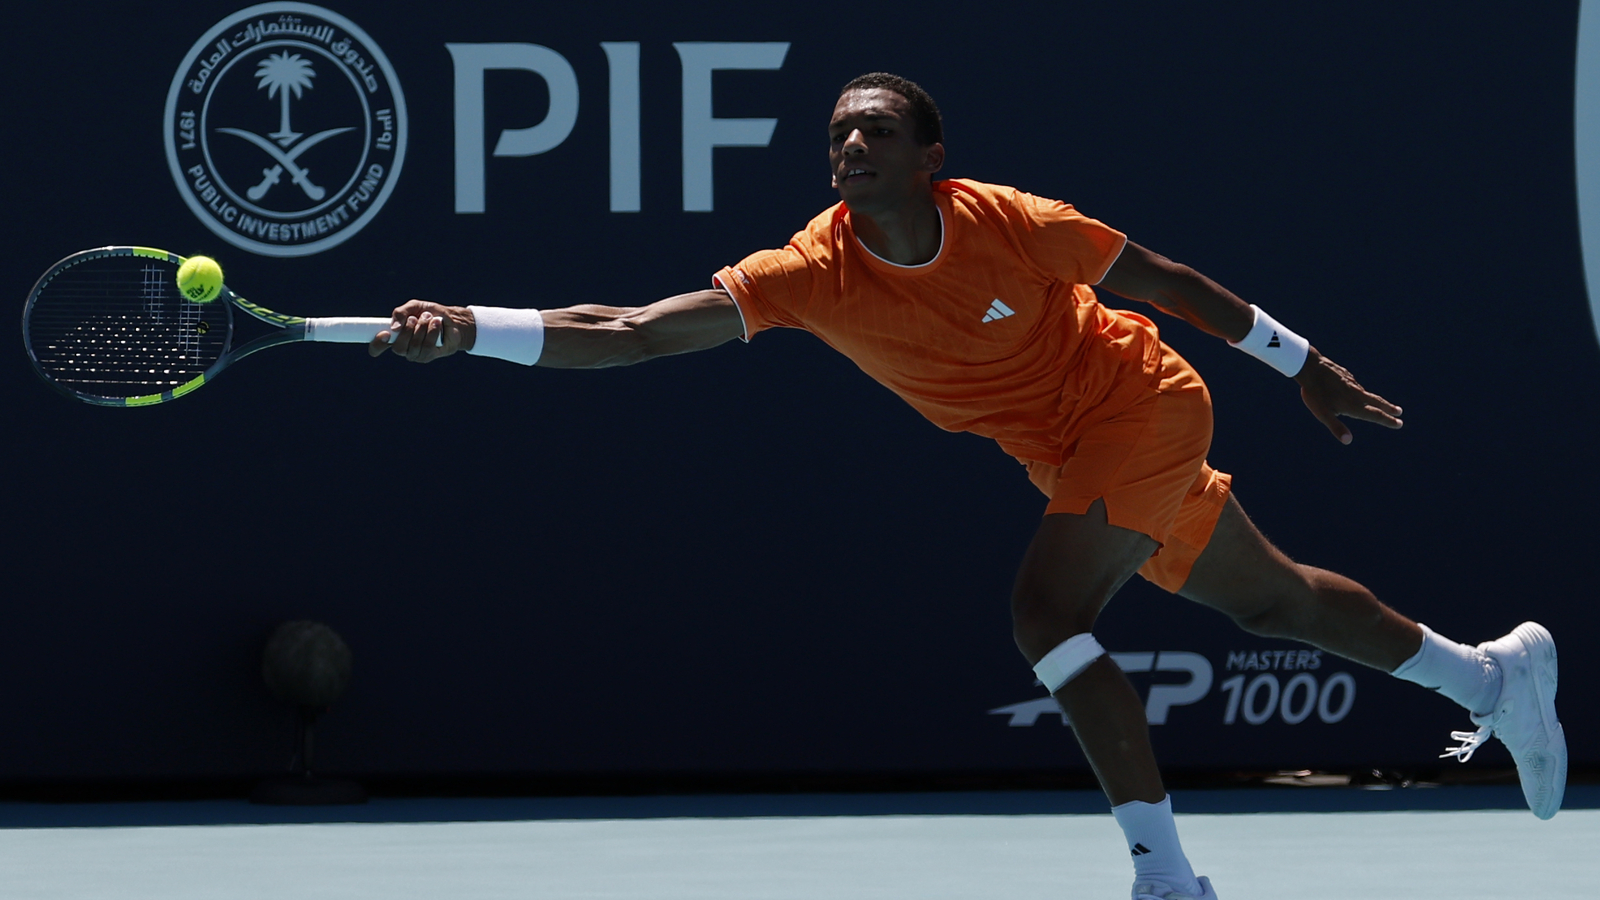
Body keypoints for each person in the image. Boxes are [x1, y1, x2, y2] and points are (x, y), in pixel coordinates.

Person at [371, 73, 1566, 900]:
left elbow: (1173, 284)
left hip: (1141, 404)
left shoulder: (1013, 223)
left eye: (876, 133)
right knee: (1275, 606)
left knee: (1044, 616)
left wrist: (1303, 368)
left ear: (930, 160)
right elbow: (628, 331)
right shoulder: (808, 271)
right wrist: (471, 326)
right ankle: (1492, 676)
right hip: (1062, 454)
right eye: (839, 134)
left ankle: (1164, 873)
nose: (851, 148)